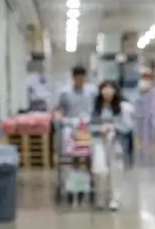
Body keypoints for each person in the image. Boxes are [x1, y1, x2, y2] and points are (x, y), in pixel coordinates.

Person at [89, 81, 132, 211]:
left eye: (110, 89)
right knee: (99, 170)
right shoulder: (96, 107)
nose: (107, 92)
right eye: (104, 89)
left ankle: (115, 199)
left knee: (116, 171)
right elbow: (89, 125)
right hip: (99, 141)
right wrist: (99, 129)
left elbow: (128, 126)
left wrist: (114, 128)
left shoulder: (123, 107)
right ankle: (100, 198)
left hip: (116, 142)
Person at [55, 65, 94, 158]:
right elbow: (58, 108)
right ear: (73, 78)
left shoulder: (92, 91)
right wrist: (58, 116)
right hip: (70, 124)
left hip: (88, 124)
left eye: (82, 78)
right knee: (69, 146)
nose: (80, 81)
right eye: (77, 78)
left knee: (90, 147)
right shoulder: (65, 92)